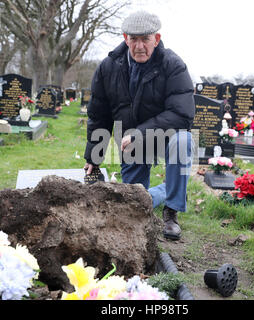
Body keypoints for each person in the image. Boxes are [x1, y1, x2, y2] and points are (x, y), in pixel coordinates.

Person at [83, 10, 195, 240]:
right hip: (131, 145)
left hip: (163, 137)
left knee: (183, 140)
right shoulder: (108, 67)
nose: (140, 46)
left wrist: (140, 133)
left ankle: (171, 211)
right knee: (134, 205)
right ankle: (165, 190)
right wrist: (93, 157)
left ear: (157, 38)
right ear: (125, 38)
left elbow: (182, 115)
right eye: (134, 39)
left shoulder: (172, 64)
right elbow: (99, 114)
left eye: (145, 39)